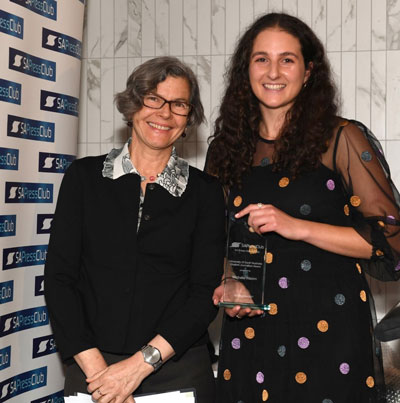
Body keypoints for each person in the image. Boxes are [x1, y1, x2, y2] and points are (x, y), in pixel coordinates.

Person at [206, 12, 400, 403]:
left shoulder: (342, 138)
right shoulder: (225, 148)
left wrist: (297, 226)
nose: (273, 71)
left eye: (287, 59)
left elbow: (390, 241)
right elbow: (216, 241)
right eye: (261, 59)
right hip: (251, 331)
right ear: (246, 70)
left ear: (308, 71)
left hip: (329, 325)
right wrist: (230, 283)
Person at [44, 56, 225, 403]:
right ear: (132, 106)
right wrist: (102, 378)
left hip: (177, 370)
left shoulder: (205, 192)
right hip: (93, 370)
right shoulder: (83, 179)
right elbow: (59, 280)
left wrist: (136, 368)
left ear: (189, 118)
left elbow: (204, 294)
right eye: (153, 99)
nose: (164, 113)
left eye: (179, 104)